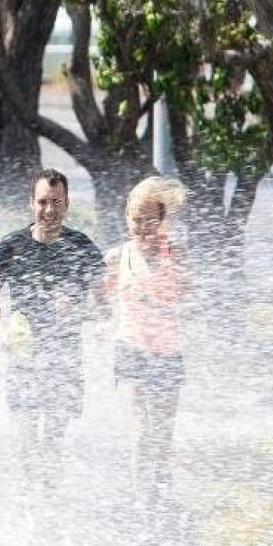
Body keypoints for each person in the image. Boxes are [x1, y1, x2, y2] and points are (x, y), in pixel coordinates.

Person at [0, 169, 105, 467]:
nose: (49, 210)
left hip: (64, 354)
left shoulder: (82, 247)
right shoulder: (11, 245)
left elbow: (104, 305)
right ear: (31, 203)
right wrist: (1, 331)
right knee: (26, 432)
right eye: (42, 202)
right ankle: (30, 497)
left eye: (57, 201)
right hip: (23, 350)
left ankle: (49, 494)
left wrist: (79, 307)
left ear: (67, 203)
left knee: (53, 437)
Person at [103, 175, 191, 492]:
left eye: (150, 221)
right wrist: (100, 322)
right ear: (127, 217)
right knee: (140, 434)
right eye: (136, 220)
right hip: (130, 351)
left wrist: (163, 297)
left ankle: (163, 492)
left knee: (162, 437)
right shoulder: (117, 258)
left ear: (164, 221)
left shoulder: (175, 254)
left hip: (167, 353)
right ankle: (142, 509)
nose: (142, 228)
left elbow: (189, 298)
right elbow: (101, 300)